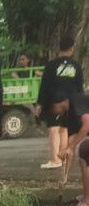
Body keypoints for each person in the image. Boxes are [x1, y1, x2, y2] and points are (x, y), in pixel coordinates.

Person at [38, 35, 84, 169]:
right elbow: (79, 87)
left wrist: (39, 103)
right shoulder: (76, 66)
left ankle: (55, 160)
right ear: (72, 48)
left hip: (55, 101)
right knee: (64, 129)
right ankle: (62, 159)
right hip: (71, 102)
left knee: (54, 129)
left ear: (60, 48)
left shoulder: (51, 65)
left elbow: (44, 85)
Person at [50, 91, 89, 206]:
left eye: (52, 109)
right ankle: (86, 197)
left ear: (58, 103)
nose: (53, 113)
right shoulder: (67, 117)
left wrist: (70, 147)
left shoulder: (75, 102)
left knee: (85, 150)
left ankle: (87, 203)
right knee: (83, 156)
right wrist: (65, 177)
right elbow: (70, 148)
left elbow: (87, 125)